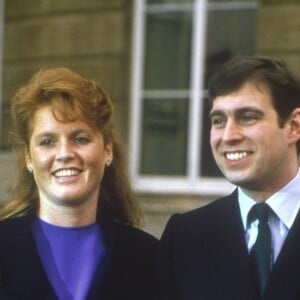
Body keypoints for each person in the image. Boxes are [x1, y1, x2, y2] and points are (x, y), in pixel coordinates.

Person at [0, 67, 158, 300]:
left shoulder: (148, 256)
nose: (64, 153)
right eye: (47, 142)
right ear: (28, 158)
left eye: (80, 139)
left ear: (107, 150)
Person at [156, 56, 300, 300]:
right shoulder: (185, 237)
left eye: (247, 117)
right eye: (218, 120)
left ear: (294, 126)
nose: (228, 136)